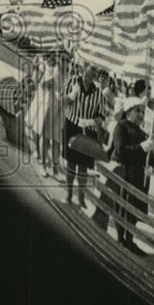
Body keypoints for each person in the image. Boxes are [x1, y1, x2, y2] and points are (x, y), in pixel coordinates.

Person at [110, 96, 153, 255]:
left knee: (133, 208)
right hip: (123, 171)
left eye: (143, 111)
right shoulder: (120, 127)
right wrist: (141, 148)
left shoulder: (143, 133)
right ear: (128, 112)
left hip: (137, 174)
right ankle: (121, 238)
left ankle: (130, 239)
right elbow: (121, 150)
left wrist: (152, 166)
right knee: (122, 205)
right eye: (138, 111)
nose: (141, 115)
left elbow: (149, 156)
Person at [63, 64, 107, 208]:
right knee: (71, 162)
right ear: (84, 71)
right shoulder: (73, 81)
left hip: (87, 130)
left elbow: (101, 117)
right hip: (72, 125)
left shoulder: (99, 92)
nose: (88, 77)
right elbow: (62, 100)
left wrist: (89, 121)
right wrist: (71, 96)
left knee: (83, 166)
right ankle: (69, 194)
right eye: (87, 73)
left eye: (92, 74)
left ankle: (81, 197)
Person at [27, 53, 63, 176]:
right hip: (42, 97)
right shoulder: (46, 64)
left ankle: (41, 153)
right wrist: (35, 66)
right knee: (37, 124)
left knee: (42, 127)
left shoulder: (59, 69)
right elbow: (38, 80)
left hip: (51, 101)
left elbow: (59, 88)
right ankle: (37, 151)